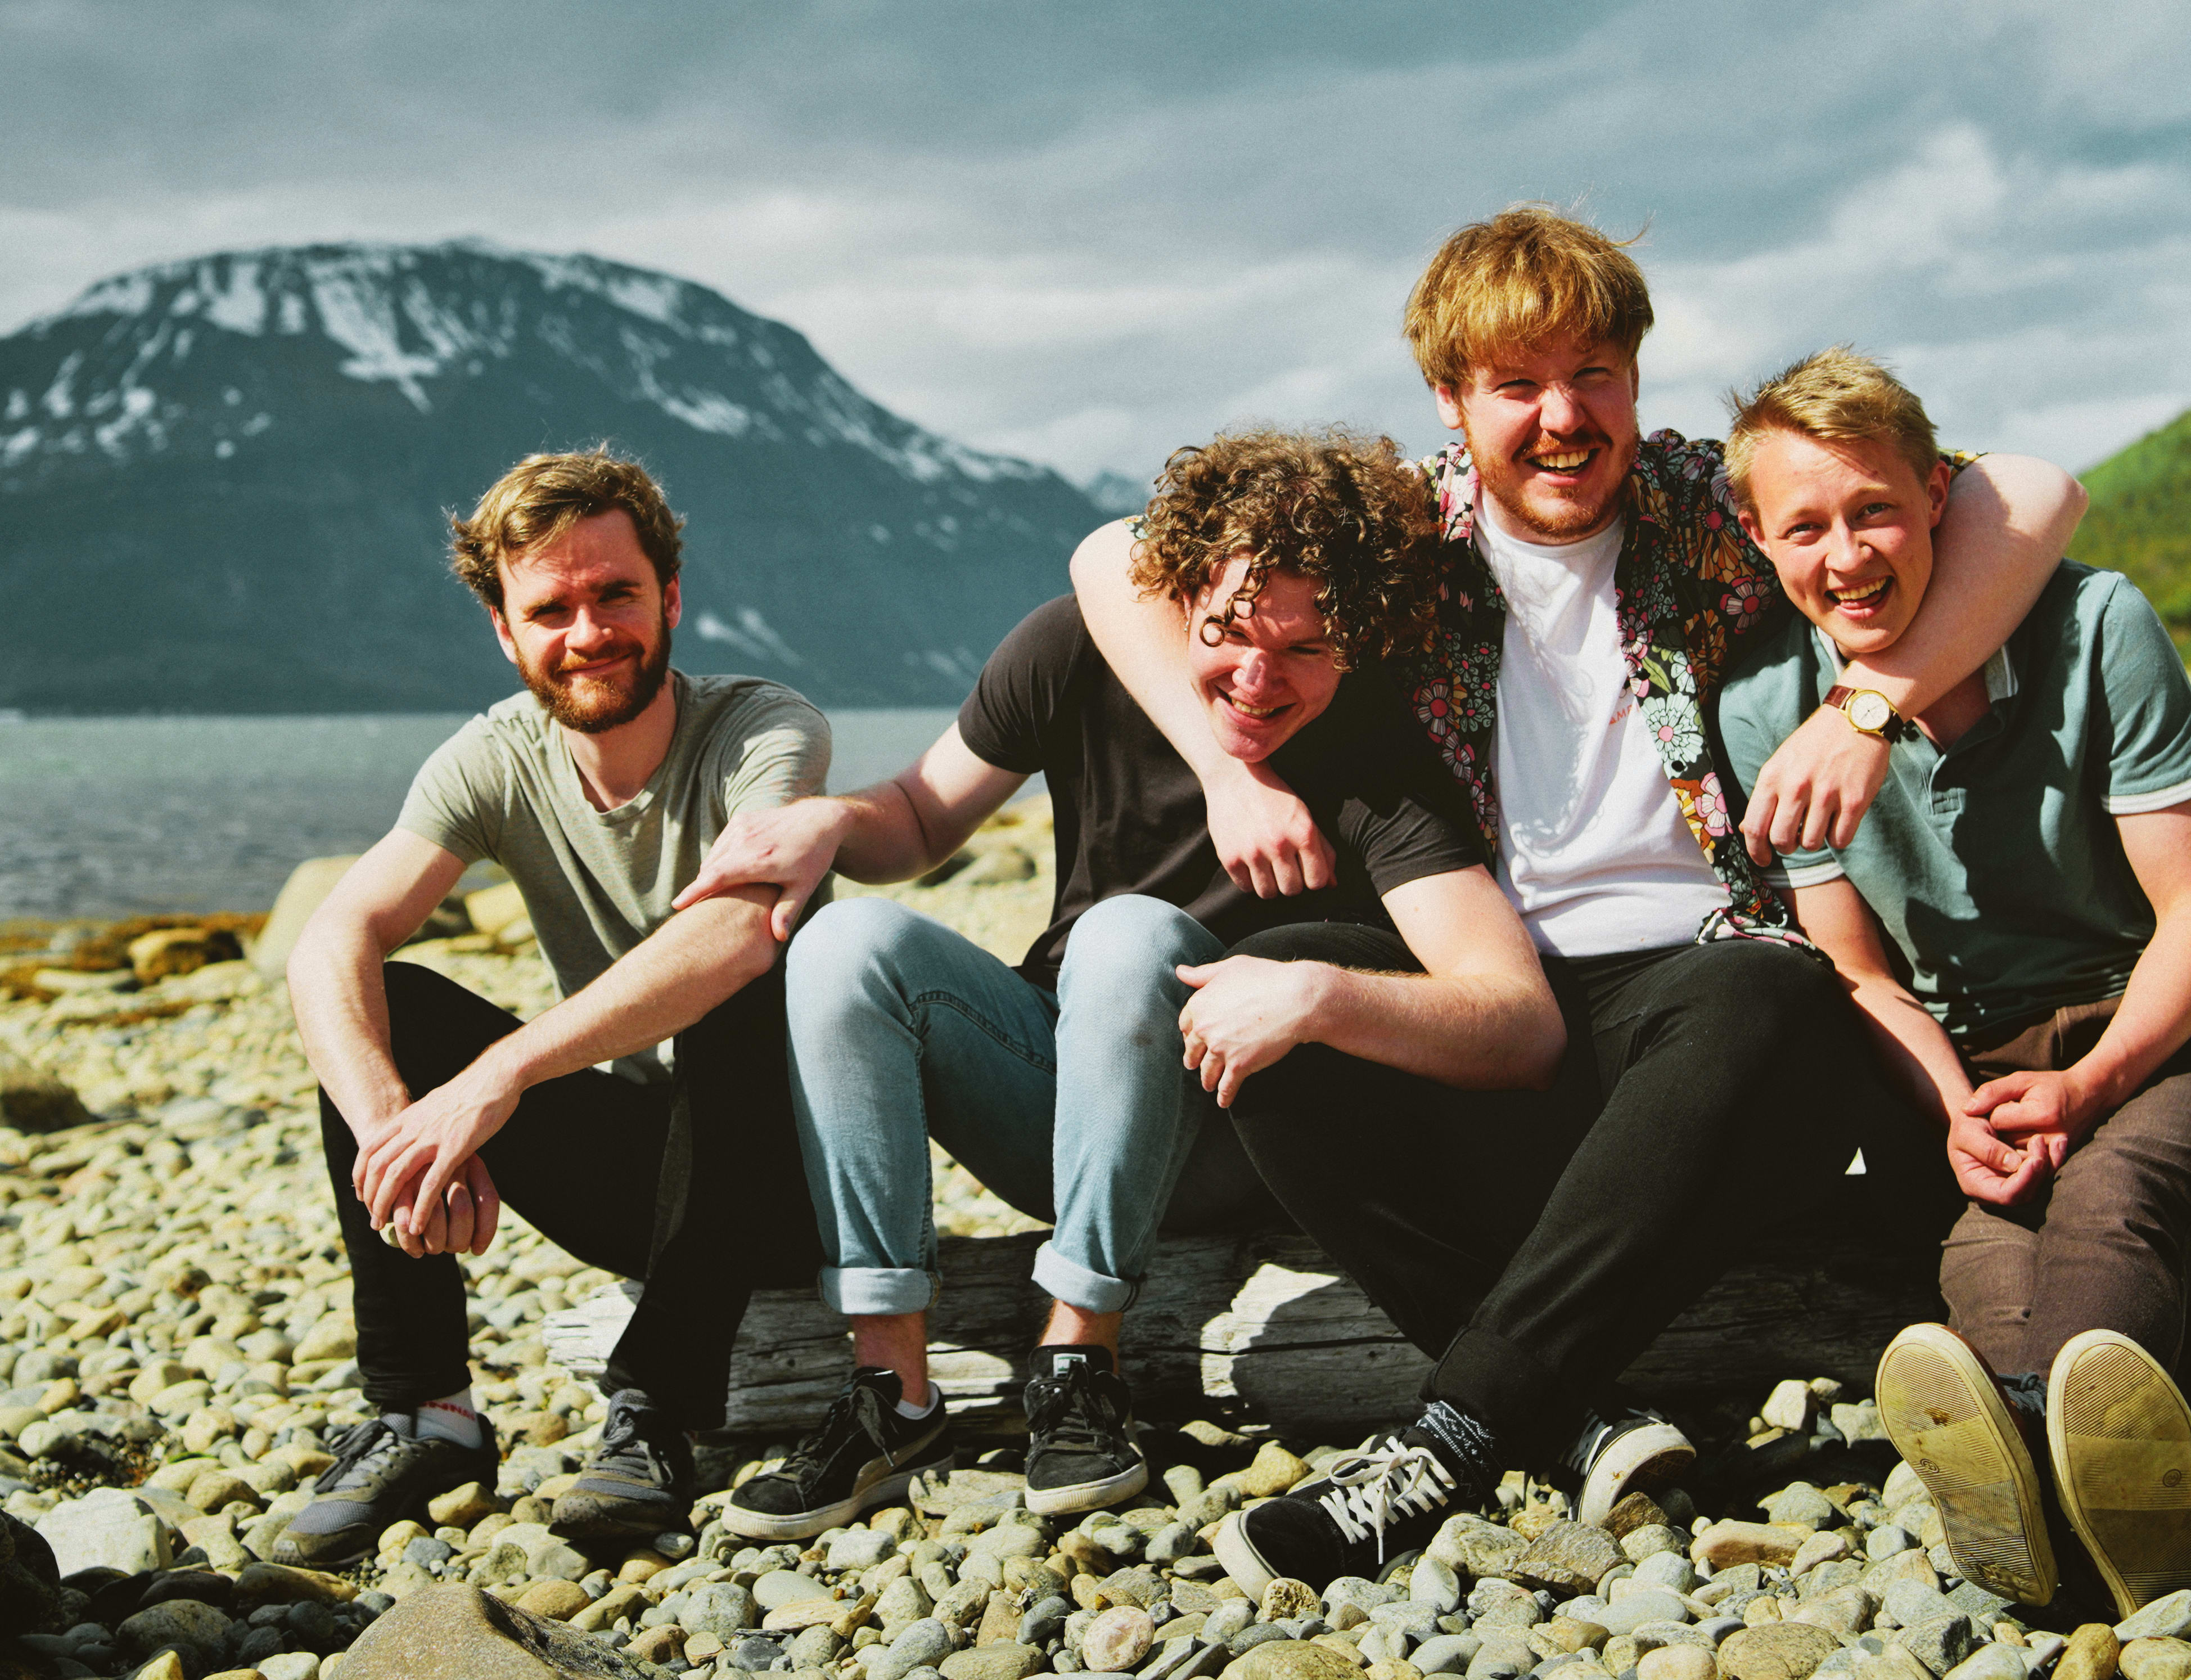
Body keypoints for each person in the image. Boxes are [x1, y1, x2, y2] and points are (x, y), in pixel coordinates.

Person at [1067, 206, 2090, 1593]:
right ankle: (1572, 1412)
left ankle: (1448, 1441)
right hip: (1506, 1017)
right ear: (1451, 398)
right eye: (1518, 384)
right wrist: (1225, 772)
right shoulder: (1403, 535)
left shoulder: (1707, 501)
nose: (1563, 419)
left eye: (1593, 375)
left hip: (1723, 1038)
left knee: (1770, 985)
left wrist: (1870, 703)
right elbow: (1111, 557)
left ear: (1635, 377)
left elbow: (2033, 491)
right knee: (1286, 983)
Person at [671, 427, 1568, 1535]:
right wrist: (827, 822)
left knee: (1129, 936)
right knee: (844, 945)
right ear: (1178, 592)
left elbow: (1519, 1026)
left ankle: (1076, 1367)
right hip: (1056, 1108)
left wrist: (1324, 995)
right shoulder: (1076, 649)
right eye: (1229, 631)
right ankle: (890, 1395)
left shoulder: (1375, 750)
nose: (1257, 679)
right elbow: (917, 818)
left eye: (1306, 648)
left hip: (1225, 1135)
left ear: (1357, 643)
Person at [1714, 346, 2191, 1618]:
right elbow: (1859, 974)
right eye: (1806, 527)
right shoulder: (1762, 706)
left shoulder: (2096, 624)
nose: (1846, 556)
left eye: (1875, 511)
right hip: (1966, 1063)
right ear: (1757, 539)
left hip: (2156, 1031)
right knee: (1981, 1252)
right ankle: (2097, 1506)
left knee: (2113, 1204)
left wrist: (2094, 1083)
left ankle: (2032, 1462)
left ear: (1939, 499)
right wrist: (1955, 1107)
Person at [277, 449, 831, 1565]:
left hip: (799, 1179)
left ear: (670, 598)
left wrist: (495, 1079)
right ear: (504, 630)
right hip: (638, 1186)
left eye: (616, 594)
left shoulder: (762, 731)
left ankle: (658, 1409)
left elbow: (736, 932)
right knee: (383, 1004)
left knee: (748, 981)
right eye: (550, 610)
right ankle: (426, 1414)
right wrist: (400, 1135)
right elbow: (330, 939)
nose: (588, 633)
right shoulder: (494, 759)